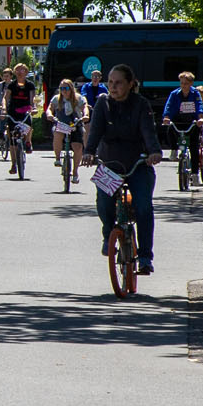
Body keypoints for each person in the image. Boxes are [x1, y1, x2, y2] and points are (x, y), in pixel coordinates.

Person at [84, 63, 161, 274]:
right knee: (103, 200)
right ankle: (108, 231)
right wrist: (89, 152)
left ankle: (145, 257)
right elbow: (95, 132)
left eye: (118, 82)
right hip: (110, 163)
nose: (113, 86)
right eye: (110, 82)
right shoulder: (102, 103)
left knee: (144, 207)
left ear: (129, 84)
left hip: (139, 164)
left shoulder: (141, 104)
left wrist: (154, 152)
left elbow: (148, 132)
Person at [161, 71, 203, 180]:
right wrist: (166, 117)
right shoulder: (174, 94)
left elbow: (199, 105)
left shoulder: (195, 93)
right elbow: (169, 106)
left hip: (191, 121)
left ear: (191, 84)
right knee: (170, 129)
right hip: (178, 119)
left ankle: (195, 174)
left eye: (185, 83)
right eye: (181, 83)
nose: (183, 86)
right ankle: (174, 150)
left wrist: (200, 117)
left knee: (194, 147)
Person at [45, 78, 87, 182]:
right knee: (58, 133)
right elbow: (50, 108)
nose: (64, 90)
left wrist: (86, 115)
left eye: (66, 88)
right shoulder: (57, 99)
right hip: (61, 124)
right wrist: (49, 115)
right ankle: (58, 158)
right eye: (62, 88)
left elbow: (85, 108)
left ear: (71, 88)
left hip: (75, 124)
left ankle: (75, 172)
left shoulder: (78, 98)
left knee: (78, 147)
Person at [4, 64, 36, 154]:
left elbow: (32, 99)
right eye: (17, 70)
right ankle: (14, 164)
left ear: (26, 72)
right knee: (12, 135)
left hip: (25, 110)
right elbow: (5, 98)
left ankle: (28, 141)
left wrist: (34, 108)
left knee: (28, 124)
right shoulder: (11, 85)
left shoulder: (30, 85)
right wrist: (4, 108)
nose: (19, 72)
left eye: (22, 70)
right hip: (13, 110)